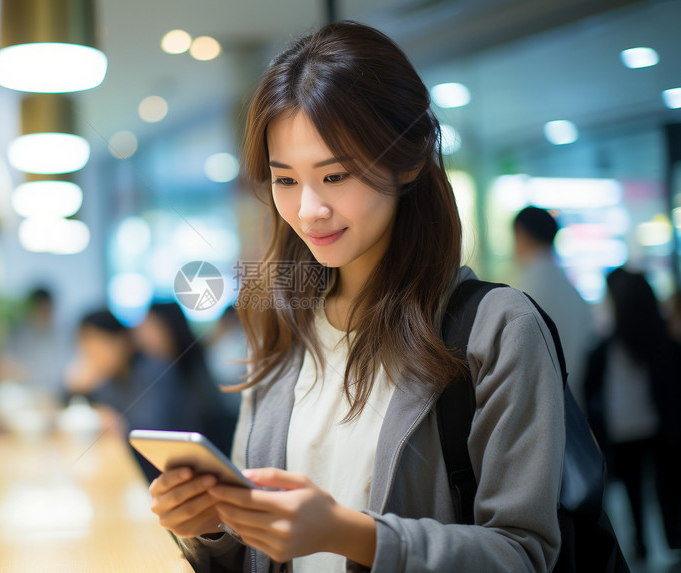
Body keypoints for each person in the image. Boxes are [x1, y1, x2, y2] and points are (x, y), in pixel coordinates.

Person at [147, 21, 565, 572]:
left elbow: (524, 555)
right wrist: (210, 529)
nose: (308, 210)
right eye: (286, 181)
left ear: (410, 159)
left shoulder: (497, 329)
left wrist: (352, 534)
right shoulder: (281, 325)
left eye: (336, 175)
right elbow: (254, 553)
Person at [583, 268, 681, 558]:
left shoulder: (607, 349)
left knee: (634, 490)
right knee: (666, 486)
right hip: (657, 428)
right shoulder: (664, 346)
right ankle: (670, 540)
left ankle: (642, 543)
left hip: (625, 429)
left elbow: (593, 391)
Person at [64, 309, 196, 480]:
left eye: (96, 347)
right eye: (86, 350)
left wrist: (115, 422)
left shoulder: (155, 371)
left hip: (169, 473)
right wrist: (74, 388)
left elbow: (151, 430)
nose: (92, 357)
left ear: (121, 341)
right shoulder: (109, 377)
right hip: (134, 467)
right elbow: (78, 409)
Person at [511, 206, 596, 408]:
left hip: (536, 414)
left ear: (521, 234)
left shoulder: (519, 291)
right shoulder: (574, 291)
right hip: (574, 408)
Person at [134, 301, 237, 454]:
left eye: (150, 328)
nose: (141, 337)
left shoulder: (191, 374)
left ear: (170, 328)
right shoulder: (153, 368)